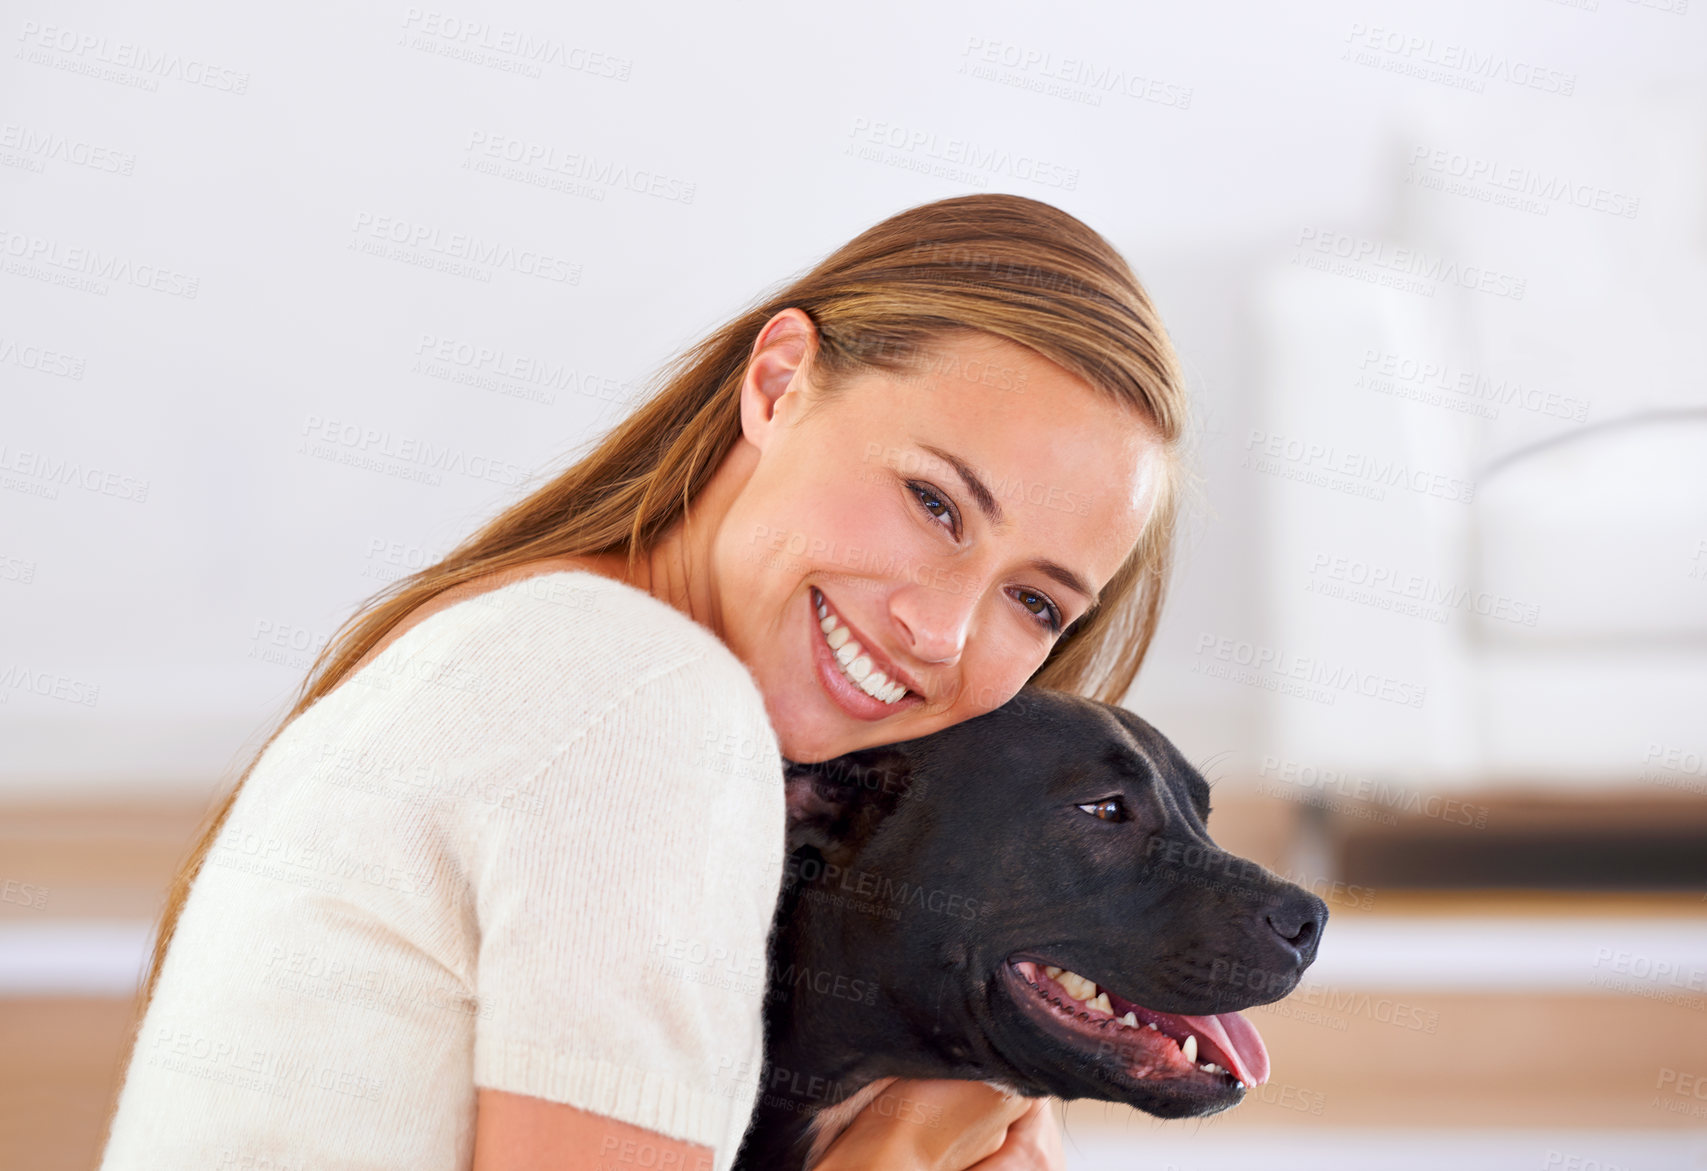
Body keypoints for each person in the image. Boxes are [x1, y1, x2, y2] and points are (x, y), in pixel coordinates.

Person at [96, 193, 1190, 1171]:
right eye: (935, 502)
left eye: (1037, 603)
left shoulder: (542, 629)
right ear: (777, 384)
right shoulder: (645, 706)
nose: (943, 630)